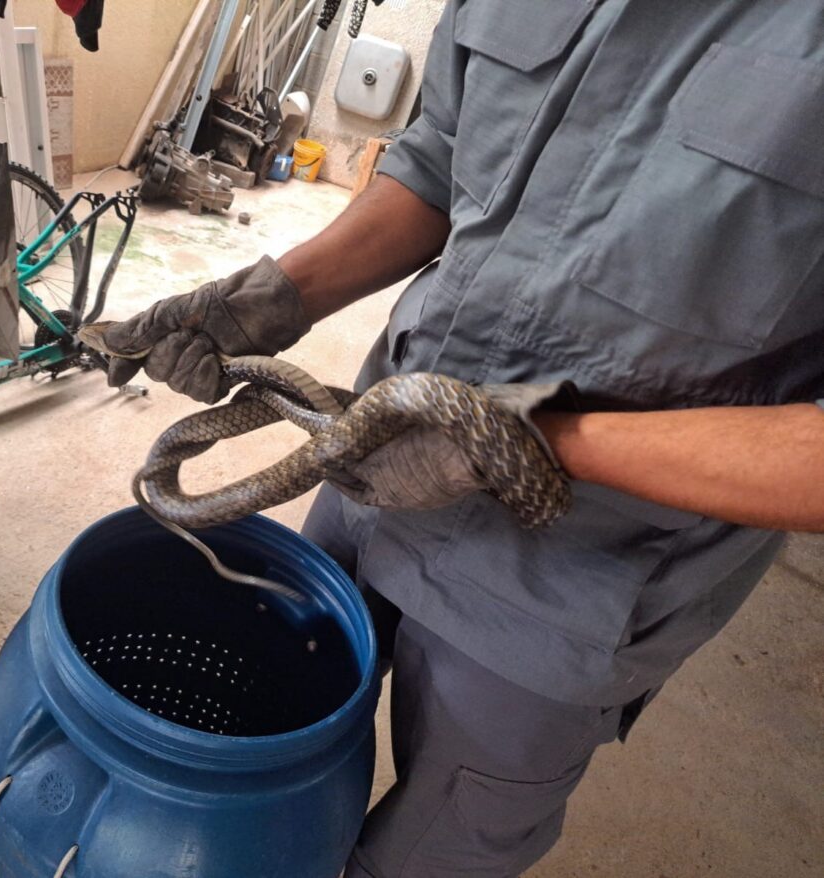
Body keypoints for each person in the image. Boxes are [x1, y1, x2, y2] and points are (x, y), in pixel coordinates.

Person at [98, 1, 824, 875]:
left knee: (430, 852)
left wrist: (525, 443)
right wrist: (275, 297)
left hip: (572, 583)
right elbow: (442, 162)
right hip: (372, 470)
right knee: (265, 739)